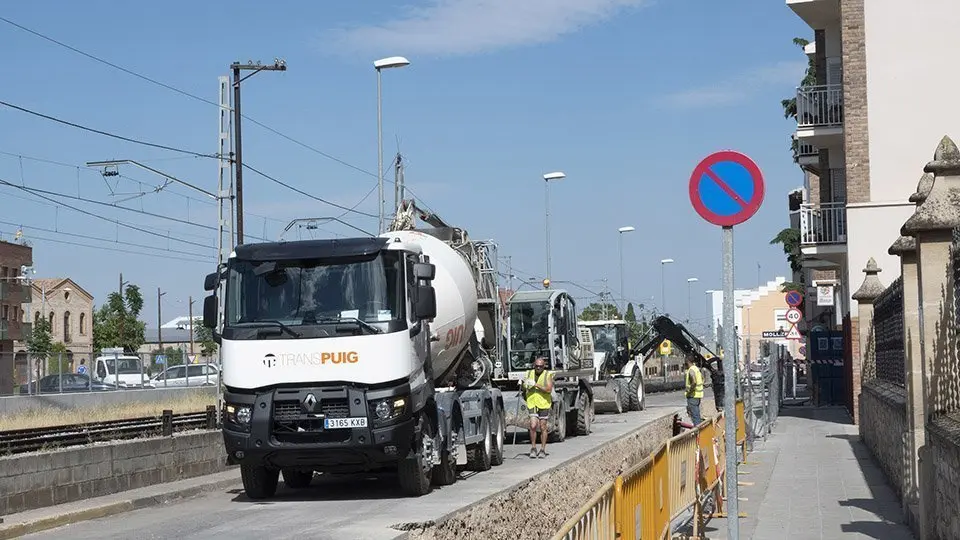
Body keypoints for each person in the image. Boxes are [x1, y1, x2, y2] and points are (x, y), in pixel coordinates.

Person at [522, 356, 554, 459]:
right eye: (536, 366)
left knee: (543, 426)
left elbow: (549, 389)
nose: (538, 368)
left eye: (540, 366)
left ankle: (543, 449)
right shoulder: (528, 373)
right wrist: (524, 384)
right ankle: (533, 447)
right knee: (533, 425)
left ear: (544, 366)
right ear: (534, 365)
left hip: (543, 403)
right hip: (532, 402)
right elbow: (524, 386)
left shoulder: (547, 375)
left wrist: (536, 385)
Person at [684, 355, 704, 426]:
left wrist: (689, 391)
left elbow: (694, 382)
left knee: (695, 417)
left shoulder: (691, 370)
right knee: (697, 414)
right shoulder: (696, 369)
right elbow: (702, 378)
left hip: (692, 396)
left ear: (687, 361)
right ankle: (700, 430)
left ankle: (698, 433)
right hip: (698, 396)